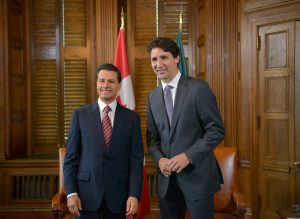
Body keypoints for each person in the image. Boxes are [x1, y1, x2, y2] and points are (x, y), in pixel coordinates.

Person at [146, 37, 225, 219]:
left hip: (197, 178)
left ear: (176, 58)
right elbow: (152, 138)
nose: (158, 64)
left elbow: (216, 130)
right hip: (167, 181)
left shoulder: (198, 88)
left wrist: (188, 156)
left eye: (164, 58)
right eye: (154, 59)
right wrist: (159, 160)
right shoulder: (152, 97)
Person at [63, 63, 144, 219]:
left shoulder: (132, 118)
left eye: (111, 81)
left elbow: (136, 160)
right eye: (102, 80)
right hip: (84, 197)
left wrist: (134, 194)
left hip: (119, 197)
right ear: (96, 84)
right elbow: (71, 158)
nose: (105, 85)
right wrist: (71, 193)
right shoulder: (80, 115)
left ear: (119, 85)